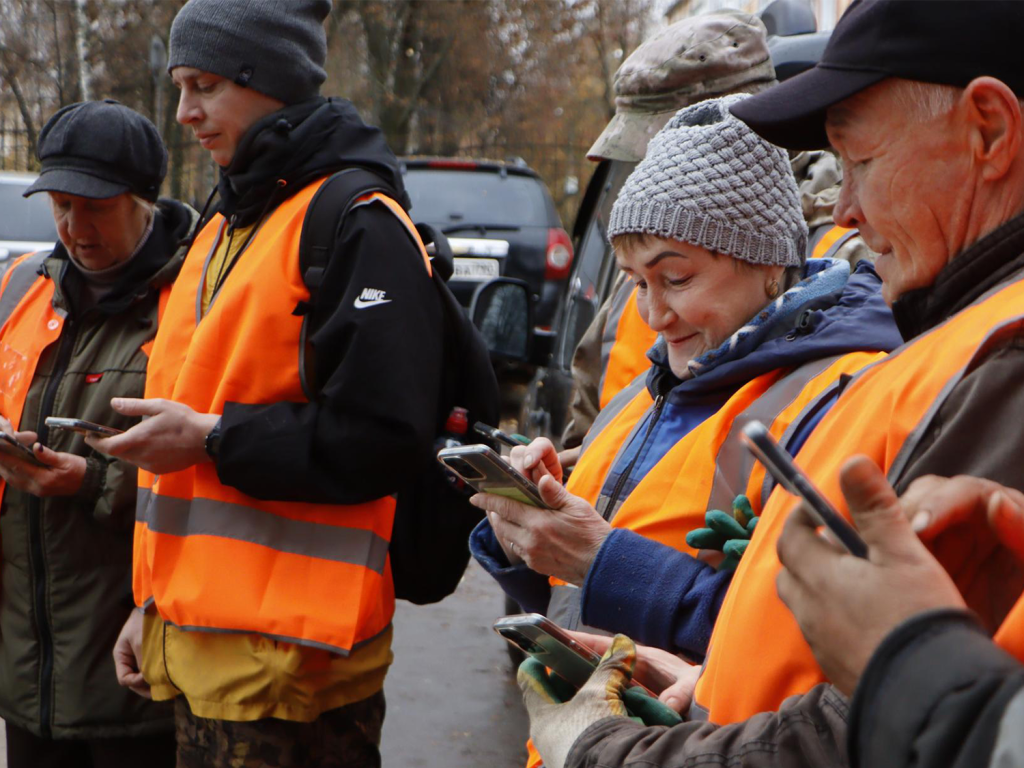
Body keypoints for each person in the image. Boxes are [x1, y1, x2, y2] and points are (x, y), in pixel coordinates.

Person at [525, 1, 1024, 765]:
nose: (844, 210)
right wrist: (716, 675)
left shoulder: (1000, 355)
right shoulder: (961, 335)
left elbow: (881, 728)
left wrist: (607, 754)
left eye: (858, 161)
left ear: (988, 129)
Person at [92, 1, 445, 765]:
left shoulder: (356, 221)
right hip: (198, 656)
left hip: (295, 678)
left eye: (206, 86)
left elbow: (386, 435)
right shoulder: (229, 222)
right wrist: (151, 609)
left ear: (273, 81)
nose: (184, 113)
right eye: (180, 86)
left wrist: (213, 438)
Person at [560, 12, 876, 452]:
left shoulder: (855, 250)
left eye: (678, 279)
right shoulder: (645, 250)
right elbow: (592, 413)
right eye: (641, 283)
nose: (654, 315)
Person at [0, 100, 195, 767]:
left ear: (144, 201)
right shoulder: (21, 288)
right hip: (27, 676)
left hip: (135, 679)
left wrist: (94, 481)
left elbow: (222, 468)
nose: (74, 227)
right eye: (60, 204)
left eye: (96, 207)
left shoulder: (193, 305)